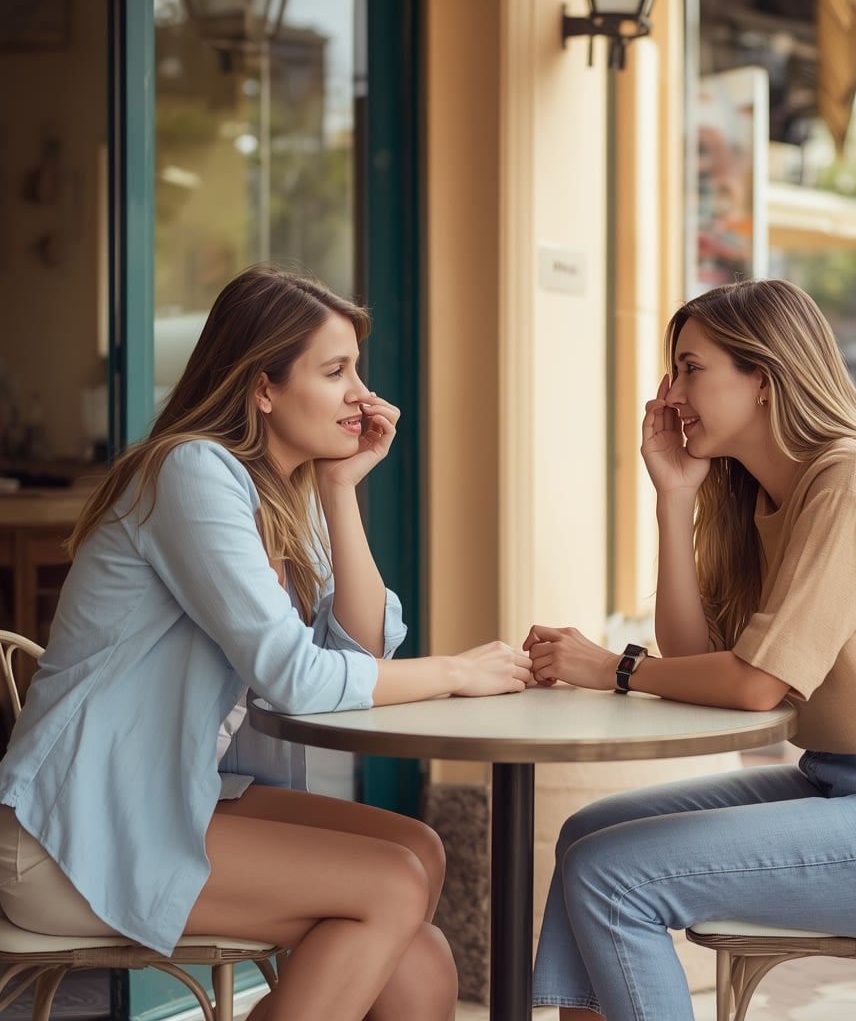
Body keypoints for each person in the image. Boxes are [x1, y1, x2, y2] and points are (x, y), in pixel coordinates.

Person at [0, 264, 534, 1021]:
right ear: (263, 387)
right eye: (335, 371)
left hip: (164, 799)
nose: (361, 394)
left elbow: (359, 652)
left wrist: (341, 489)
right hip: (72, 829)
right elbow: (294, 676)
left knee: (420, 880)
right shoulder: (190, 473)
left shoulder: (285, 489)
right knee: (391, 888)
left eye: (358, 369)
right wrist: (454, 672)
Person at [523, 278, 856, 1021]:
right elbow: (693, 661)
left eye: (692, 367)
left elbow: (756, 687)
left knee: (610, 875)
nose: (671, 390)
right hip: (845, 782)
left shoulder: (852, 481)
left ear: (763, 377)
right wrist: (673, 499)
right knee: (588, 836)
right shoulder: (765, 496)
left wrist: (610, 666)